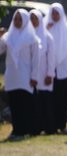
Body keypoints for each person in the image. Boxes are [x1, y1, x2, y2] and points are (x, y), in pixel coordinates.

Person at [0, 9, 40, 139]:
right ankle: (16, 130)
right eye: (15, 19)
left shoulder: (32, 38)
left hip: (25, 77)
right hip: (12, 76)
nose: (17, 22)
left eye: (20, 19)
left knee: (24, 105)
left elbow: (35, 59)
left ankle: (24, 130)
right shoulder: (8, 37)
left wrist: (34, 77)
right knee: (14, 104)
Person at [47, 3, 67, 133]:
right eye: (52, 13)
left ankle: (62, 125)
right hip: (49, 69)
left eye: (56, 13)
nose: (54, 15)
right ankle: (52, 125)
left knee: (62, 99)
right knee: (51, 99)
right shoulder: (46, 27)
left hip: (64, 70)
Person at [29, 9, 56, 135]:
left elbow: (51, 57)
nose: (33, 21)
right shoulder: (27, 35)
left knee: (46, 102)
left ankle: (49, 127)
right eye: (31, 18)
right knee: (35, 102)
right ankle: (36, 127)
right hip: (30, 75)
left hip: (44, 74)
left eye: (35, 18)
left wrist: (50, 74)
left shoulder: (47, 37)